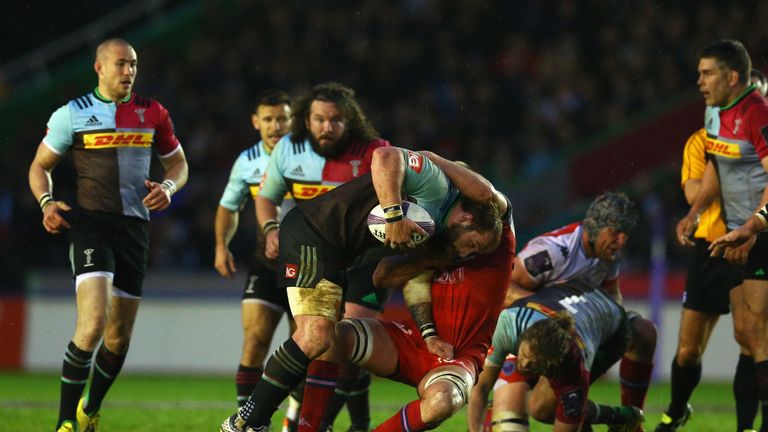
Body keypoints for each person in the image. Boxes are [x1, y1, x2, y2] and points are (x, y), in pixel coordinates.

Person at [220, 146, 505, 432]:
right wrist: (394, 215)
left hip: (337, 254)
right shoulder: (438, 187)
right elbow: (385, 156)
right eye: (473, 245)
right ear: (467, 219)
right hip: (315, 233)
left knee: (325, 337)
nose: (468, 254)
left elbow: (383, 276)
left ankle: (286, 423)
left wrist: (428, 259)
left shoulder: (438, 234)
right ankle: (246, 422)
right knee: (316, 334)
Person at [27, 38, 188, 432]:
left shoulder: (153, 113)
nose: (129, 71)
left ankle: (89, 408)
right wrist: (47, 202)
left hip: (135, 229)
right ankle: (65, 422)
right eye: (120, 64)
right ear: (99, 68)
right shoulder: (72, 114)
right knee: (94, 323)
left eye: (133, 64)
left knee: (118, 337)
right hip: (92, 225)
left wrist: (168, 188)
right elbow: (39, 166)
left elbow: (178, 164)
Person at [255, 82, 392, 431]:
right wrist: (271, 228)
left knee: (346, 339)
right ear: (306, 118)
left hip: (366, 256)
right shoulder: (289, 147)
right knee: (319, 339)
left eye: (335, 120)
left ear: (350, 121)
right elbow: (266, 197)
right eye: (319, 119)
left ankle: (316, 424)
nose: (326, 127)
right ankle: (338, 423)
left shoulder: (376, 152)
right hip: (314, 254)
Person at [329, 196, 515, 431]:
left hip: (459, 355)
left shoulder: (499, 240)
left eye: (474, 247)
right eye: (470, 245)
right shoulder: (431, 239)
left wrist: (427, 159)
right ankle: (308, 425)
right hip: (413, 340)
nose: (469, 253)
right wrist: (429, 334)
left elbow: (486, 193)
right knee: (326, 337)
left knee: (441, 402)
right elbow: (382, 277)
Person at [487, 192, 656, 432]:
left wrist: (603, 335)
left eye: (626, 234)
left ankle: (631, 424)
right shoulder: (553, 251)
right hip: (532, 335)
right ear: (595, 226)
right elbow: (505, 289)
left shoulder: (608, 253)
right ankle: (615, 416)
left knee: (644, 331)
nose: (621, 241)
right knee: (532, 414)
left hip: (577, 335)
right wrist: (552, 314)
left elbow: (612, 298)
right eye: (616, 231)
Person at [653, 75, 765, 431]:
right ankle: (677, 409)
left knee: (749, 336)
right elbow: (692, 193)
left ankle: (747, 425)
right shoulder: (701, 143)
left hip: (750, 245)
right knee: (688, 350)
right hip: (708, 249)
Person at [468, 280, 644, 432]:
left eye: (535, 364)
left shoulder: (574, 366)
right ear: (523, 338)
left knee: (543, 409)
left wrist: (573, 414)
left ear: (553, 363)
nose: (524, 365)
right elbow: (481, 386)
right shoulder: (508, 323)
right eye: (524, 354)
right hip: (579, 290)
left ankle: (622, 417)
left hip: (614, 333)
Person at [213, 90, 293, 408]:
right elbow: (228, 207)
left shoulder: (308, 156)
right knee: (255, 341)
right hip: (266, 262)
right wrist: (221, 246)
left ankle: (297, 420)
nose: (275, 126)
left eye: (282, 119)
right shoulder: (247, 161)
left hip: (311, 265)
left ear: (292, 121)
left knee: (307, 349)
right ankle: (246, 421)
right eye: (269, 119)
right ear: (256, 122)